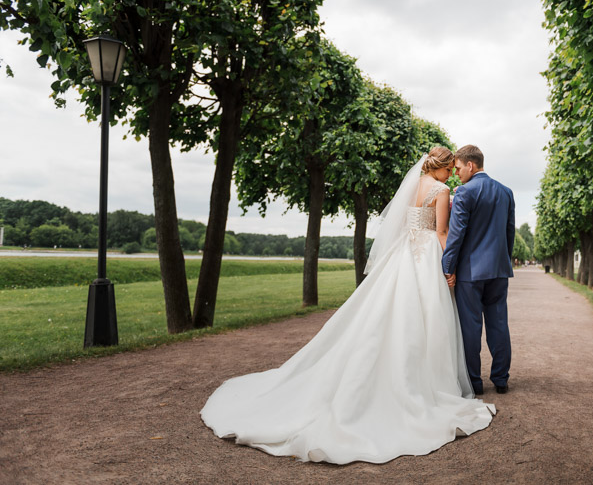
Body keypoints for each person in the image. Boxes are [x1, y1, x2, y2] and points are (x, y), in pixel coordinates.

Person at [200, 147, 495, 465]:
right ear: (440, 168)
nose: (451, 174)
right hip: (425, 258)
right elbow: (440, 232)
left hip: (403, 255)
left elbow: (404, 225)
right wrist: (450, 266)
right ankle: (425, 382)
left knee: (387, 312)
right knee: (427, 318)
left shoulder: (412, 186)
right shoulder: (441, 190)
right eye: (449, 168)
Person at [442, 145, 515, 395]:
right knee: (499, 323)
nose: (457, 173)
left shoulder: (465, 192)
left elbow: (456, 235)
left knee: (470, 328)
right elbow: (509, 233)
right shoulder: (506, 192)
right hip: (498, 269)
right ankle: (501, 379)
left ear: (470, 165)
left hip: (470, 273)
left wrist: (448, 267)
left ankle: (475, 383)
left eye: (459, 168)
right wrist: (503, 260)